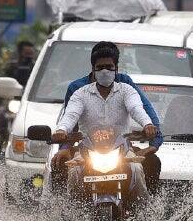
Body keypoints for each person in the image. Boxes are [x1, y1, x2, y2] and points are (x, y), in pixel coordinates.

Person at [51, 41, 159, 197]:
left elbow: (137, 108)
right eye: (100, 67)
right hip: (88, 149)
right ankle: (71, 212)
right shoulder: (80, 92)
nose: (105, 71)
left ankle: (144, 213)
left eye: (109, 67)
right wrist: (62, 131)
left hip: (121, 148)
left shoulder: (126, 89)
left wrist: (148, 124)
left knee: (137, 169)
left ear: (116, 69)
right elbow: (70, 116)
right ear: (93, 69)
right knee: (73, 172)